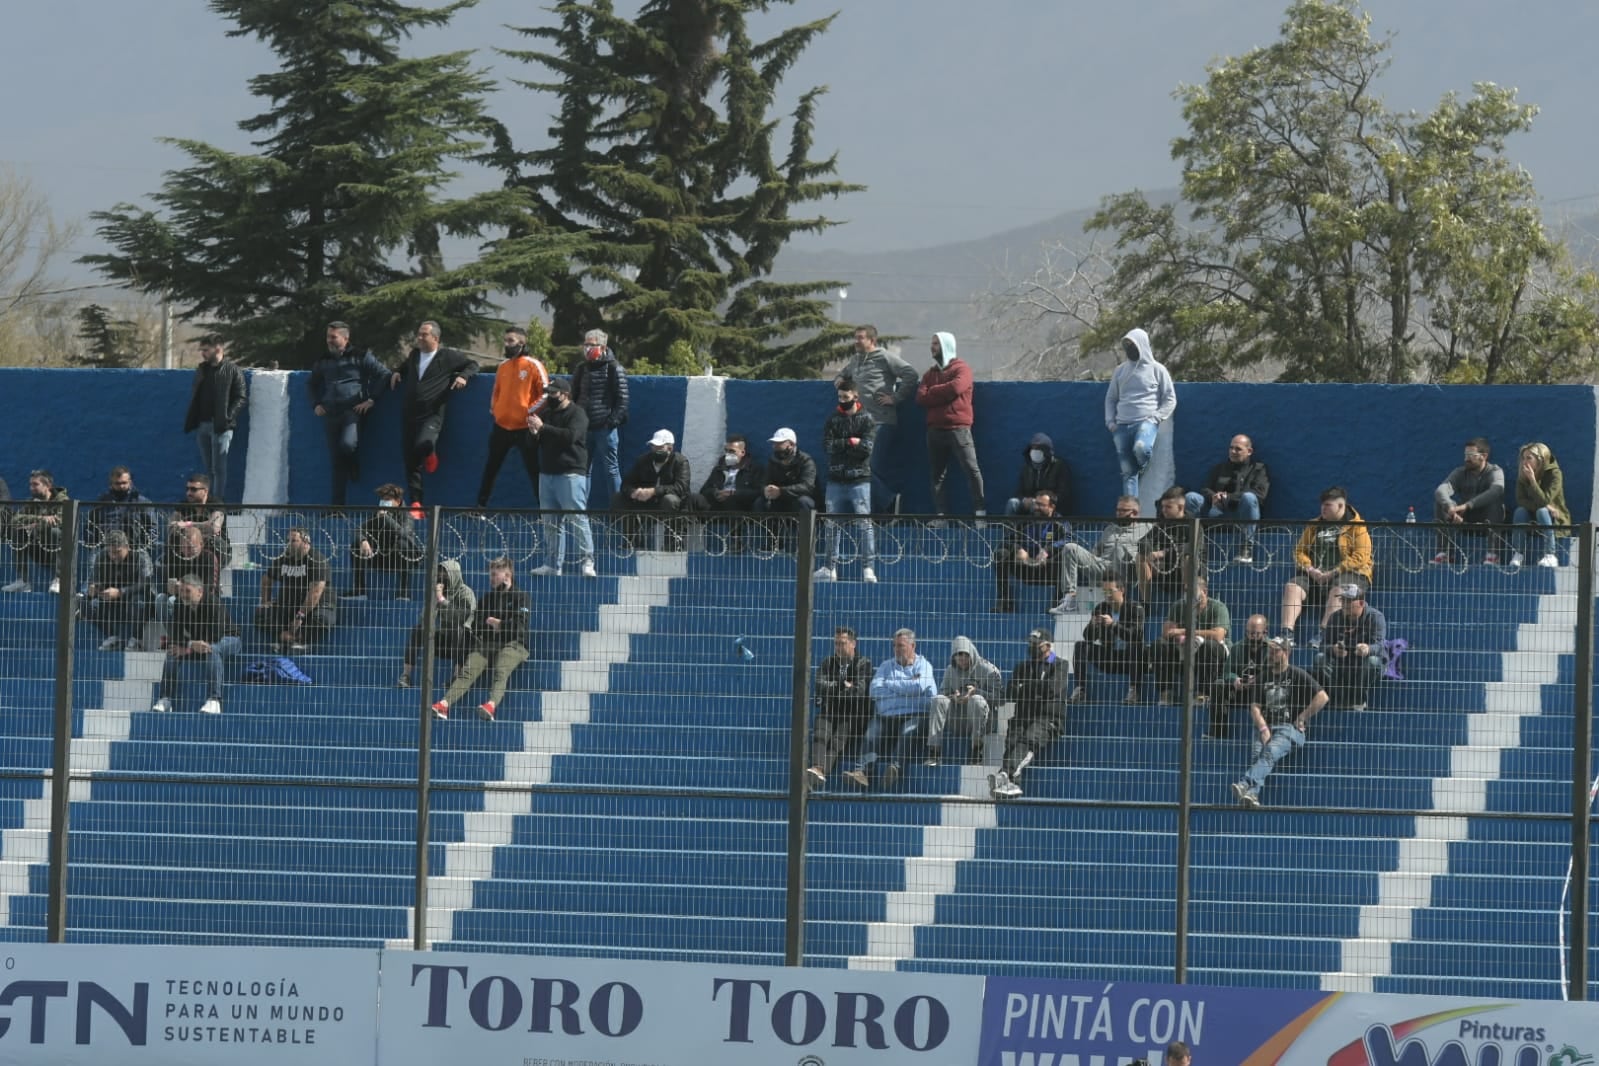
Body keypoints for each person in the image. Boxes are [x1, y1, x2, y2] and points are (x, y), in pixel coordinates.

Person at [390, 320, 478, 517]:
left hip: (432, 414)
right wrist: (396, 372)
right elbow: (404, 367)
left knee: (424, 443)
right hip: (409, 415)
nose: (419, 338)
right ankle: (416, 503)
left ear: (435, 338)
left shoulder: (447, 357)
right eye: (419, 334)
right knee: (410, 461)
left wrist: (464, 376)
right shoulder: (414, 355)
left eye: (424, 335)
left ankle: (430, 454)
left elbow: (473, 364)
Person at [1231, 636, 1328, 809]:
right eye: (1270, 651)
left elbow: (1322, 697)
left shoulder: (1297, 674)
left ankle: (1245, 782)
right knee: (1257, 755)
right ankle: (1253, 795)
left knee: (1269, 752)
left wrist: (1303, 717)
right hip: (1266, 726)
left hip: (1290, 729)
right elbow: (1254, 707)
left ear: (1286, 653)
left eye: (1276, 651)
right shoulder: (1263, 677)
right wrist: (1263, 728)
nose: (1272, 654)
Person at [432, 557, 531, 722]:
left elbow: (520, 627)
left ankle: (491, 705)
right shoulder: (487, 598)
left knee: (501, 668)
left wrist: (500, 624)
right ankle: (444, 704)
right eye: (490, 575)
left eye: (495, 574)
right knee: (469, 669)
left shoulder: (521, 597)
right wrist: (492, 625)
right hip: (490, 643)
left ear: (508, 575)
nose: (491, 578)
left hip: (515, 644)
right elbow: (477, 625)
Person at [834, 325, 918, 513]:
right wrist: (839, 381)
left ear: (872, 341)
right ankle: (881, 508)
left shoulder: (884, 357)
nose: (856, 341)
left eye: (860, 338)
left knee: (865, 467)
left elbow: (910, 374)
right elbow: (842, 374)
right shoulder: (855, 360)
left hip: (881, 421)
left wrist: (895, 398)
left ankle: (888, 500)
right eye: (855, 337)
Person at [842, 628, 935, 791]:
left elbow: (919, 687)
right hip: (886, 716)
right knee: (871, 733)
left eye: (901, 646)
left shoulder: (924, 665)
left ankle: (895, 768)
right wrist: (907, 687)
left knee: (908, 732)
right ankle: (862, 771)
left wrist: (890, 684)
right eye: (895, 646)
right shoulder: (886, 666)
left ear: (913, 646)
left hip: (915, 715)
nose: (897, 650)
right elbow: (874, 691)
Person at [309, 321, 389, 506]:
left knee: (348, 444)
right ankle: (337, 506)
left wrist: (371, 400)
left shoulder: (360, 356)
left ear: (345, 338)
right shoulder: (323, 360)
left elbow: (384, 374)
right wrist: (316, 404)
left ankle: (353, 463)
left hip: (352, 410)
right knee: (336, 462)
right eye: (328, 337)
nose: (329, 341)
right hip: (330, 412)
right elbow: (311, 383)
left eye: (333, 337)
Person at [1280, 486, 1372, 645]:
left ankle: (1324, 634)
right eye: (1322, 505)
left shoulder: (1357, 526)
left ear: (1341, 506)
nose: (1323, 509)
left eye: (1328, 506)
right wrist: (1310, 569)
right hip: (1316, 575)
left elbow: (1361, 557)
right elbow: (1299, 551)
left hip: (1348, 574)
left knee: (1339, 590)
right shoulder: (1314, 525)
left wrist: (1334, 572)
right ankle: (1286, 634)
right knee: (1292, 586)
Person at [989, 627, 1069, 799]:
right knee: (1013, 739)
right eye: (1030, 644)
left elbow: (1052, 688)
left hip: (1048, 718)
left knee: (1029, 738)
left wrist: (1026, 687)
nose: (1031, 647)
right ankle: (1011, 785)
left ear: (1047, 646)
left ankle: (1005, 774)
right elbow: (1011, 691)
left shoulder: (1061, 665)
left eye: (1036, 645)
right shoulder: (1023, 666)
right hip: (1023, 715)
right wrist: (1034, 689)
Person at [528, 380, 597, 578]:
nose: (551, 396)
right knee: (550, 521)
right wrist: (534, 433)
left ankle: (588, 560)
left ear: (566, 394)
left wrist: (543, 428)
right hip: (547, 473)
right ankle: (552, 564)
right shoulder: (547, 414)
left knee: (576, 518)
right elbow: (537, 442)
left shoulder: (577, 414)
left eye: (554, 393)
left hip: (570, 473)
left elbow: (570, 436)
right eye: (548, 393)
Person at [814, 377, 878, 584]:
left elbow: (866, 449)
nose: (842, 400)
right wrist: (851, 441)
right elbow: (828, 447)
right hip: (835, 479)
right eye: (840, 397)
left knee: (864, 523)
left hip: (859, 479)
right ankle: (829, 567)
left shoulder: (867, 419)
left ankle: (868, 567)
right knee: (832, 523)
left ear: (855, 396)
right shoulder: (833, 419)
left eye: (846, 397)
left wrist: (847, 446)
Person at [475, 326, 547, 509]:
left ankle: (544, 509)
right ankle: (479, 507)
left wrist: (528, 412)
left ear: (522, 343)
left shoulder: (533, 365)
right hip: (501, 427)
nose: (506, 344)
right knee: (491, 467)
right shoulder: (503, 366)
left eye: (511, 341)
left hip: (525, 428)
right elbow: (496, 392)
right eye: (505, 341)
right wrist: (496, 409)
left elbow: (545, 394)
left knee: (534, 469)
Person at [917, 332, 985, 520]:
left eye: (936, 344)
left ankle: (980, 513)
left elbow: (956, 388)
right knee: (937, 475)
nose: (932, 347)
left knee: (971, 470)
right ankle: (941, 515)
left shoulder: (962, 369)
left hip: (959, 429)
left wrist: (934, 391)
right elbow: (921, 398)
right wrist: (942, 392)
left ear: (946, 345)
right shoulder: (929, 374)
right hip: (934, 431)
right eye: (932, 343)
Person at [151, 574, 240, 716]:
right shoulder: (180, 604)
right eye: (181, 591)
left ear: (200, 591)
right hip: (199, 642)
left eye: (188, 591)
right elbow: (176, 634)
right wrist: (189, 645)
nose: (183, 595)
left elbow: (214, 637)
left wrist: (188, 648)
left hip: (228, 639)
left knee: (213, 649)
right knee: (172, 652)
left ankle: (214, 700)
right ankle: (165, 699)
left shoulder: (213, 603)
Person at [1104, 327, 1176, 499]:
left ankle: (1142, 466)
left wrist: (1156, 417)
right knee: (1128, 473)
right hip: (1121, 425)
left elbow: (1170, 398)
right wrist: (1110, 422)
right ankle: (1131, 514)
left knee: (1141, 448)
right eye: (1127, 345)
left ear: (1142, 345)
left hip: (1146, 422)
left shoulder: (1158, 369)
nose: (1130, 349)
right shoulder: (1120, 371)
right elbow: (1111, 398)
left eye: (1133, 345)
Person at [804, 626, 875, 790]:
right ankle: (817, 768)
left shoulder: (863, 663)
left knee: (837, 740)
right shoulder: (828, 662)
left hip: (853, 714)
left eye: (842, 643)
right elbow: (819, 685)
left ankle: (820, 770)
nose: (838, 647)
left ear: (853, 644)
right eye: (836, 644)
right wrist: (842, 685)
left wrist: (836, 690)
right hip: (830, 710)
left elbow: (859, 691)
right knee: (820, 733)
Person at [1053, 495, 1144, 614]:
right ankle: (1070, 600)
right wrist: (1091, 561)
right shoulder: (1110, 529)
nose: (1118, 513)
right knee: (1070, 548)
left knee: (1120, 551)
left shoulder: (1147, 528)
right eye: (1117, 510)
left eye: (1123, 510)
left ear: (1135, 512)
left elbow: (1149, 554)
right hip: (1103, 568)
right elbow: (1097, 550)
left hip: (1126, 569)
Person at [1184, 434, 1269, 562]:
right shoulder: (1220, 468)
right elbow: (1205, 488)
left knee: (1249, 497)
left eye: (1238, 449)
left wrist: (1228, 498)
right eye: (1231, 448)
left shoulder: (1258, 469)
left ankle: (1246, 549)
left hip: (1240, 517)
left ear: (1249, 451)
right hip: (1216, 513)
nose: (1233, 452)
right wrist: (1214, 496)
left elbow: (1259, 495)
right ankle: (1196, 546)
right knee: (1191, 497)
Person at [183, 336, 247, 503]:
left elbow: (240, 397)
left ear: (218, 349)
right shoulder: (202, 370)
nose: (203, 354)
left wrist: (227, 418)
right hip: (203, 424)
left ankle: (217, 502)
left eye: (206, 350)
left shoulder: (232, 370)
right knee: (209, 468)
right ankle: (208, 500)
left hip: (221, 426)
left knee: (219, 468)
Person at [1152, 575, 1231, 706]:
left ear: (1204, 592)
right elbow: (1167, 632)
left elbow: (1218, 636)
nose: (1187, 595)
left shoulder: (1218, 607)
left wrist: (1184, 632)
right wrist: (1179, 637)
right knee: (1160, 644)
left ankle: (1203, 694)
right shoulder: (1178, 606)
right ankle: (1166, 693)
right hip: (1184, 650)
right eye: (1185, 591)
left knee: (1209, 646)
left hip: (1212, 653)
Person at [396, 559, 476, 689]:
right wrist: (434, 602)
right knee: (418, 630)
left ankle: (457, 676)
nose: (441, 578)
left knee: (458, 629)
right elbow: (425, 620)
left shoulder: (466, 593)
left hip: (464, 642)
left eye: (445, 575)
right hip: (443, 642)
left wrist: (442, 600)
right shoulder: (438, 593)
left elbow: (461, 618)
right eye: (439, 575)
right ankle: (406, 675)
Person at [572, 328, 630, 505]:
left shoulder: (614, 368)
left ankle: (617, 509)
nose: (588, 348)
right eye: (586, 344)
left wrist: (611, 422)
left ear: (603, 347)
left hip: (605, 428)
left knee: (611, 469)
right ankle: (582, 511)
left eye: (592, 345)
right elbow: (574, 395)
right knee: (584, 470)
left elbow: (623, 399)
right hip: (583, 428)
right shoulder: (581, 368)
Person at [1069, 575, 1147, 706]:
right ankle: (1080, 690)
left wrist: (1113, 625)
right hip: (1108, 657)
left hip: (1128, 660)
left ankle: (1134, 691)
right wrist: (1093, 625)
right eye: (1105, 592)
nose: (1107, 596)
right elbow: (1089, 638)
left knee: (1137, 645)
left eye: (1110, 591)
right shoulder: (1101, 608)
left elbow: (1136, 635)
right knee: (1080, 646)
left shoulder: (1136, 608)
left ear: (1121, 590)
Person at [925, 636, 1002, 767]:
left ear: (971, 653)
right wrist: (953, 697)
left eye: (965, 655)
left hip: (983, 722)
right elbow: (943, 692)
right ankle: (934, 752)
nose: (962, 659)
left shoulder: (989, 670)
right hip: (958, 719)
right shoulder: (950, 669)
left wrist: (976, 692)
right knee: (938, 700)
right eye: (958, 655)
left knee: (976, 700)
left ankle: (976, 750)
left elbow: (1000, 699)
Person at [255, 528, 335, 652]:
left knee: (321, 620)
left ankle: (297, 641)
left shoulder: (317, 560)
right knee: (262, 613)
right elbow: (267, 578)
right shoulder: (284, 558)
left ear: (305, 542)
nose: (288, 544)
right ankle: (287, 638)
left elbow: (315, 593)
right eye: (287, 540)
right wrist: (266, 601)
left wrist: (300, 616)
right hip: (289, 606)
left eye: (293, 541)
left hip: (316, 607)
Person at [992, 490, 1071, 613]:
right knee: (1001, 553)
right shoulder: (1025, 522)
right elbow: (1007, 539)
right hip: (1025, 567)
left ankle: (1057, 604)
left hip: (1047, 569)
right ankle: (1004, 601)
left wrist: (1048, 551)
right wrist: (1018, 549)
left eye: (1041, 505)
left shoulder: (1060, 523)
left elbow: (1069, 539)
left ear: (1052, 507)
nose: (1036, 508)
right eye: (1036, 504)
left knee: (1067, 555)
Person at [1431, 436, 1507, 565]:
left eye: (1471, 455)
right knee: (1440, 502)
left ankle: (1493, 554)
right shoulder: (1460, 472)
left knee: (1496, 502)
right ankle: (1444, 553)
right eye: (1465, 454)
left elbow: (1496, 490)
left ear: (1483, 456)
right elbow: (1441, 490)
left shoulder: (1495, 471)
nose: (1466, 458)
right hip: (1462, 517)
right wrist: (1450, 508)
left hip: (1487, 517)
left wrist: (1467, 506)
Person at [612, 429, 691, 552]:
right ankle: (631, 541)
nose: (655, 450)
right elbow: (626, 484)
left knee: (670, 500)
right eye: (654, 447)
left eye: (659, 447)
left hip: (667, 504)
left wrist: (654, 491)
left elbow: (681, 487)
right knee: (619, 498)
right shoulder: (643, 460)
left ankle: (672, 543)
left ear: (669, 448)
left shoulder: (680, 462)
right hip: (646, 502)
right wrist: (634, 492)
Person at [1314, 584, 1387, 710]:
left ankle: (1358, 700)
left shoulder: (1376, 617)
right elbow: (1323, 646)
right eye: (1343, 600)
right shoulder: (1335, 617)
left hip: (1364, 662)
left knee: (1373, 661)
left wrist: (1367, 649)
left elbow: (1380, 646)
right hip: (1343, 662)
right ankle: (1339, 699)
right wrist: (1333, 650)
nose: (1344, 604)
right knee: (1320, 658)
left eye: (1349, 601)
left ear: (1361, 603)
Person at [81, 529, 154, 651]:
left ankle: (136, 639)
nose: (113, 556)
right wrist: (94, 588)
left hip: (135, 597)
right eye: (110, 552)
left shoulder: (140, 555)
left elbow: (145, 584)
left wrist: (120, 592)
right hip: (111, 600)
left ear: (127, 546)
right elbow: (93, 580)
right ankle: (113, 637)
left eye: (117, 552)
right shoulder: (102, 556)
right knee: (86, 604)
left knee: (139, 602)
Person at [349, 483, 422, 600]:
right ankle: (359, 591)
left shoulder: (406, 515)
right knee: (356, 545)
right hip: (381, 556)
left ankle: (404, 593)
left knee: (403, 544)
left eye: (387, 500)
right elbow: (360, 530)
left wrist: (386, 519)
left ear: (398, 502)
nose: (383, 502)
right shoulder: (378, 514)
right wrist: (363, 540)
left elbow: (403, 533)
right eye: (382, 499)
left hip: (400, 559)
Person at [690, 434, 761, 550]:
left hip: (739, 508)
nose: (728, 454)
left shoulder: (754, 469)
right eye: (726, 451)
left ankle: (736, 541)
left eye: (732, 451)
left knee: (732, 499)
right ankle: (678, 539)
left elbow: (758, 492)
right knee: (694, 498)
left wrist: (733, 493)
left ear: (742, 452)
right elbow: (704, 490)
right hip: (717, 505)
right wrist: (715, 492)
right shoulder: (719, 469)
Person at [4, 470, 68, 594]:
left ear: (48, 485)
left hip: (55, 551)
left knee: (54, 531)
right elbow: (15, 520)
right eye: (30, 484)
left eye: (35, 484)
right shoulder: (32, 502)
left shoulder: (63, 501)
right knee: (18, 532)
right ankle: (23, 581)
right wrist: (41, 519)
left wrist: (34, 525)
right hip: (37, 549)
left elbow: (60, 521)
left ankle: (59, 579)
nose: (31, 488)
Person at [755, 428, 819, 551]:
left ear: (791, 444)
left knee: (804, 502)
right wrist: (766, 490)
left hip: (797, 499)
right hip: (779, 500)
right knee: (760, 502)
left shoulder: (806, 461)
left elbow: (807, 486)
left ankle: (804, 544)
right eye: (774, 444)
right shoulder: (772, 461)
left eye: (779, 444)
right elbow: (763, 482)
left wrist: (781, 491)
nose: (775, 447)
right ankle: (772, 542)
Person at [1210, 614, 1271, 738]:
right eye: (1249, 633)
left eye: (1256, 633)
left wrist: (1257, 681)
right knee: (1219, 685)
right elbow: (1226, 672)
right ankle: (1217, 731)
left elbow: (1276, 673)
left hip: (1261, 693)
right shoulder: (1237, 647)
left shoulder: (1272, 649)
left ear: (1265, 632)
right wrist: (1234, 680)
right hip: (1241, 691)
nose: (1252, 636)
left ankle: (1268, 731)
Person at [1511, 441, 1568, 570]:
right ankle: (1518, 553)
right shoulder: (1522, 474)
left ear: (1540, 460)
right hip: (1533, 514)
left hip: (1555, 517)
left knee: (1542, 511)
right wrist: (1546, 506)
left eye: (1529, 458)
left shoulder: (1555, 474)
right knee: (1520, 511)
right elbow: (1521, 500)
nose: (1525, 461)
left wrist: (1532, 481)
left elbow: (1545, 499)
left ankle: (1550, 554)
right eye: (1523, 458)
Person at [1138, 486, 1192, 606]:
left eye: (1168, 507)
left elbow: (1193, 547)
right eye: (1162, 507)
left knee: (1188, 557)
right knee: (1140, 557)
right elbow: (1144, 540)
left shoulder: (1193, 523)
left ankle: (1187, 602)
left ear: (1180, 507)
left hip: (1188, 570)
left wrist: (1163, 553)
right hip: (1165, 567)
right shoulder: (1163, 523)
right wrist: (1148, 551)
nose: (1164, 510)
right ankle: (1146, 602)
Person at [157, 524, 223, 618]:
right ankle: (174, 632)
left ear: (201, 544)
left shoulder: (209, 558)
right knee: (161, 599)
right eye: (184, 548)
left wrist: (189, 591)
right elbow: (169, 584)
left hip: (203, 600)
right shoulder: (176, 559)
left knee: (176, 602)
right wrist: (170, 587)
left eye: (191, 548)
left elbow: (210, 587)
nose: (187, 552)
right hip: (181, 597)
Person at [89, 465, 159, 552]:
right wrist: (95, 545)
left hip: (135, 550)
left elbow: (153, 528)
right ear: (111, 483)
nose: (121, 486)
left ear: (130, 482)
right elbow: (90, 526)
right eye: (117, 483)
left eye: (124, 483)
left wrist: (143, 546)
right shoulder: (102, 503)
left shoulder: (141, 502)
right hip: (106, 551)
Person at [1006, 433, 1073, 516]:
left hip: (1049, 506)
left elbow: (1064, 494)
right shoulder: (1026, 469)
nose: (1034, 451)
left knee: (1045, 507)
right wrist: (1024, 500)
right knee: (1012, 503)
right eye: (1033, 448)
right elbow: (1018, 492)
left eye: (1038, 448)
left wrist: (1047, 500)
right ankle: (1010, 529)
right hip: (1031, 505)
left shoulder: (1059, 466)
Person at [168, 473, 231, 561]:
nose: (188, 493)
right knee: (174, 541)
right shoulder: (183, 505)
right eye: (187, 489)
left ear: (205, 491)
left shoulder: (216, 504)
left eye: (193, 489)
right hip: (189, 548)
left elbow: (214, 528)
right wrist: (201, 527)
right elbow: (171, 527)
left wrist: (187, 524)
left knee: (214, 542)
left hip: (215, 550)